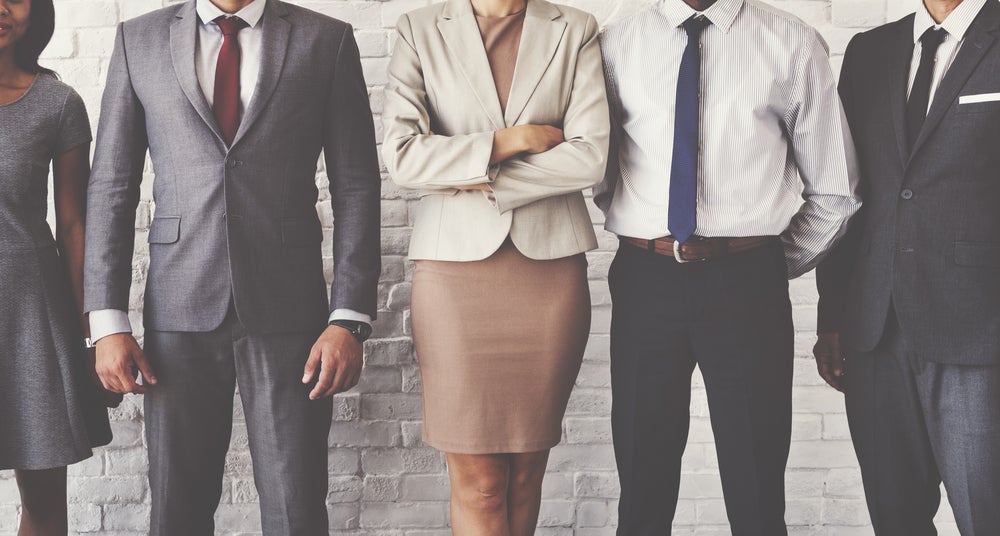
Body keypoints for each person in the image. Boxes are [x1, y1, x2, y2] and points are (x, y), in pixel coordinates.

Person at [83, 0, 381, 533]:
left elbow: (356, 183)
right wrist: (107, 322)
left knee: (297, 508)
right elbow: (111, 186)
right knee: (176, 510)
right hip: (178, 305)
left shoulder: (325, 39)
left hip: (292, 311)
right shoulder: (139, 40)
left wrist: (349, 318)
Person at [598, 0, 861, 533]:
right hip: (646, 279)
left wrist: (760, 264)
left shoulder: (791, 42)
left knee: (757, 487)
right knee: (641, 486)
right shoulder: (613, 43)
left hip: (747, 284)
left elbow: (835, 192)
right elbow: (593, 168)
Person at [383, 0, 609, 532]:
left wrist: (474, 178)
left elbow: (590, 156)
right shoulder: (418, 29)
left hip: (549, 273)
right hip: (453, 278)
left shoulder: (574, 28)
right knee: (481, 484)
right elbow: (402, 156)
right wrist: (508, 142)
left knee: (527, 472)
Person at [814, 0, 1000, 533]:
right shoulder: (870, 51)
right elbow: (845, 190)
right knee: (895, 518)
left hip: (979, 331)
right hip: (874, 328)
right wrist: (833, 315)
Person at [0, 0, 114, 533]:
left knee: (43, 503)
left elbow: (75, 228)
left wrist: (96, 333)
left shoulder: (57, 102)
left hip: (30, 318)